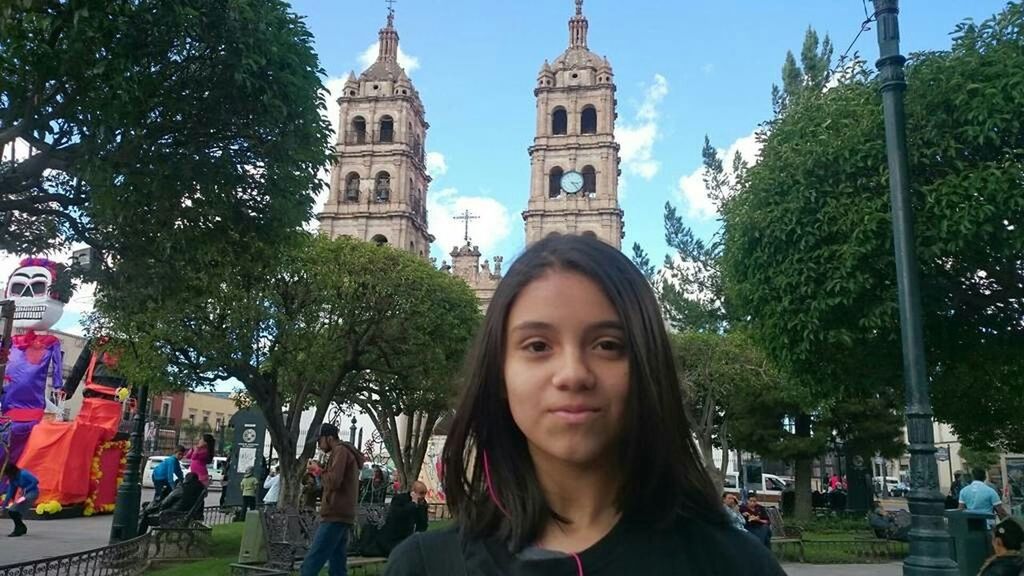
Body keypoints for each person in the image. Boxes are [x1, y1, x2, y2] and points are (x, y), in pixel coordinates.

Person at [384, 234, 785, 575]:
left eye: (607, 345)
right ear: (498, 376)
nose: (573, 374)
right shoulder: (423, 567)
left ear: (648, 369)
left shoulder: (734, 564)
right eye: (537, 346)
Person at [299, 423, 365, 576]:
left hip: (335, 514)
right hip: (343, 514)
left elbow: (334, 481)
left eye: (319, 440)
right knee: (337, 566)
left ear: (329, 438)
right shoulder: (343, 452)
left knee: (311, 562)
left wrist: (317, 471)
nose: (319, 445)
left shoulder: (340, 451)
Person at [138, 472, 206, 534]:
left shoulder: (182, 488)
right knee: (147, 508)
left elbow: (164, 503)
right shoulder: (200, 491)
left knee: (144, 515)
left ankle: (137, 538)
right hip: (184, 517)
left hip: (170, 516)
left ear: (186, 480)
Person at [2, 463, 39, 537]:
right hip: (24, 495)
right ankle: (21, 527)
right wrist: (4, 506)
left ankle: (18, 530)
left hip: (32, 493)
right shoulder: (12, 479)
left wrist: (26, 489)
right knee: (12, 511)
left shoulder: (23, 474)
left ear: (12, 471)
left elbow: (35, 481)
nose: (7, 476)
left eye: (8, 474)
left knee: (14, 510)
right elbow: (10, 492)